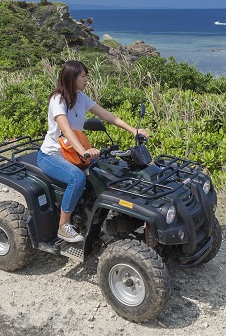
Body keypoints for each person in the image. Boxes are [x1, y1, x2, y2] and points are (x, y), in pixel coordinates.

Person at [38, 60, 147, 243]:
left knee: (110, 170)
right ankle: (63, 226)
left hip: (74, 154)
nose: (86, 80)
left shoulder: (80, 97)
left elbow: (106, 115)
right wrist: (83, 151)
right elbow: (65, 129)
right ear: (72, 78)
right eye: (83, 76)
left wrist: (132, 130)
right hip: (52, 155)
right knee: (76, 178)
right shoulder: (58, 100)